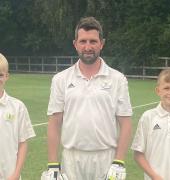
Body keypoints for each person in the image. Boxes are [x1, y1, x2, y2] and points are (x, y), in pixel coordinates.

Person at [44, 16, 132, 180]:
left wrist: (119, 161)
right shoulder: (60, 79)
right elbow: (54, 123)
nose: (88, 47)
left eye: (93, 41)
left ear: (102, 43)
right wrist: (53, 165)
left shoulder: (117, 79)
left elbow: (125, 123)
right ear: (75, 44)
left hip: (106, 158)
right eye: (83, 41)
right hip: (71, 158)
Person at [131, 68, 170, 180]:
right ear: (158, 91)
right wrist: (154, 177)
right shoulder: (148, 117)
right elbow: (138, 154)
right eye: (166, 88)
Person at [0, 53, 36, 180]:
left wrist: (16, 174)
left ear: (6, 76)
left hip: (10, 176)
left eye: (0, 75)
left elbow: (23, 143)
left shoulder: (18, 107)